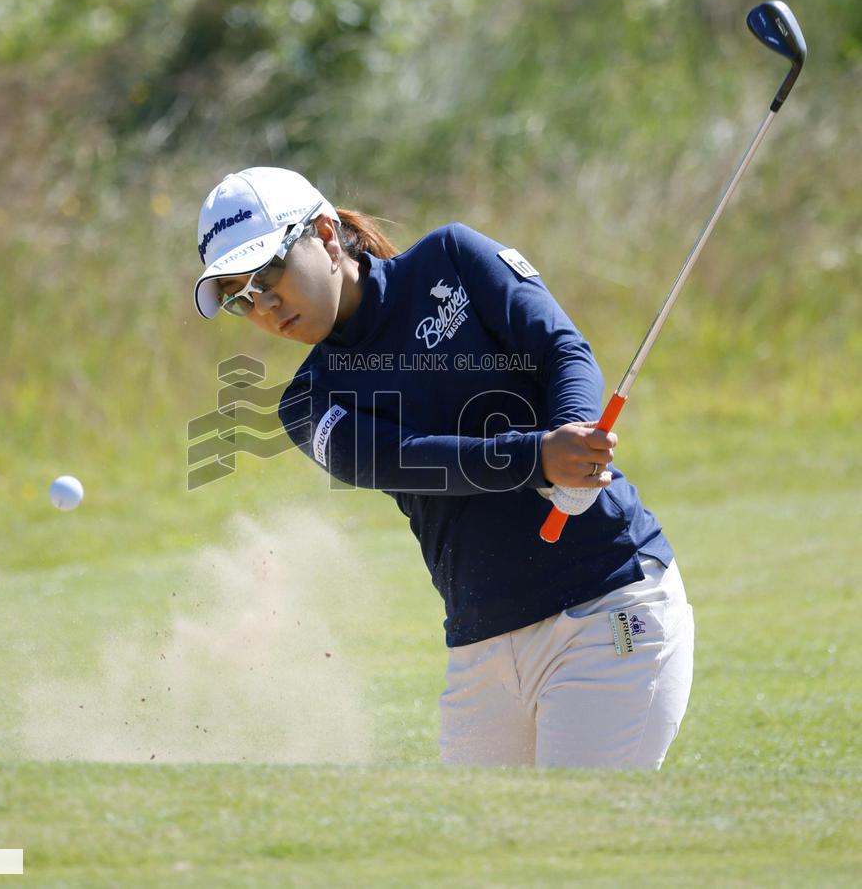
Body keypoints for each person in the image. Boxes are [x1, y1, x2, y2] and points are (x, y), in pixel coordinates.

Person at [193, 166, 694, 768]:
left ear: (324, 234)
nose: (265, 307)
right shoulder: (307, 402)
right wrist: (538, 458)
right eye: (240, 298)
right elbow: (408, 460)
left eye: (268, 275)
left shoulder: (451, 259)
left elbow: (562, 351)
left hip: (606, 605)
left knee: (583, 825)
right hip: (481, 648)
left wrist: (573, 445)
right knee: (477, 835)